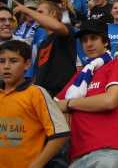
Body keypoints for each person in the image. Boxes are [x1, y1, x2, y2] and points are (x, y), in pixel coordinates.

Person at [55, 20, 118, 167]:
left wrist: (70, 104)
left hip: (110, 149)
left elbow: (110, 101)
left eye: (93, 38)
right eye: (84, 40)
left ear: (105, 41)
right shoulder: (81, 75)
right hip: (77, 155)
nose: (88, 44)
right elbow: (54, 105)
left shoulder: (117, 63)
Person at [0, 40, 70, 168]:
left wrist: (36, 165)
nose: (6, 66)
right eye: (2, 61)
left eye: (13, 61)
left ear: (27, 64)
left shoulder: (36, 93)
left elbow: (61, 133)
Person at [14, 0, 76, 97]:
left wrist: (26, 10)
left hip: (61, 95)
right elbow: (39, 71)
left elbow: (57, 26)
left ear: (53, 13)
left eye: (40, 12)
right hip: (43, 94)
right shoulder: (43, 43)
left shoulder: (65, 30)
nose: (36, 16)